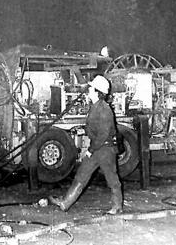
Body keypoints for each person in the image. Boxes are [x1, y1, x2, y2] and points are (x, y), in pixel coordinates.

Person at [49, 75, 123, 215]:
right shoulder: (95, 106)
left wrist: (90, 150)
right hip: (98, 149)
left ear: (97, 91)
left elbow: (103, 135)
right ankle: (66, 203)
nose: (89, 90)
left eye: (91, 88)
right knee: (82, 175)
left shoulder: (104, 109)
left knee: (112, 179)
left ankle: (117, 206)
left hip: (105, 150)